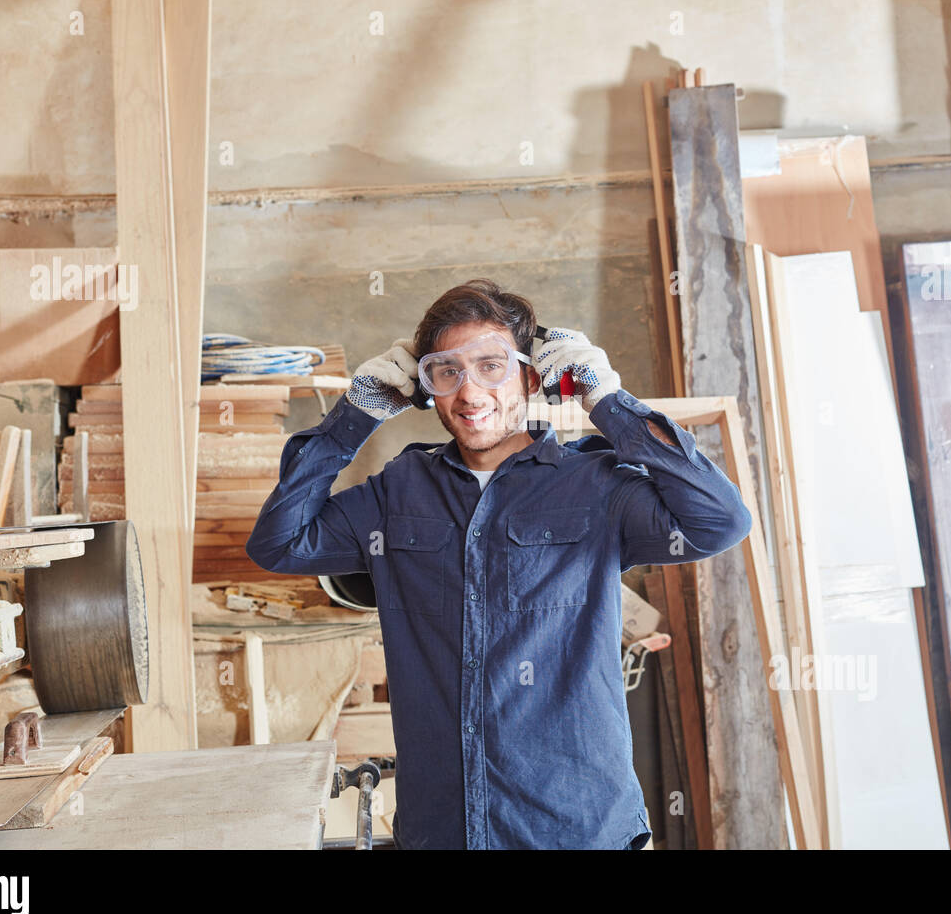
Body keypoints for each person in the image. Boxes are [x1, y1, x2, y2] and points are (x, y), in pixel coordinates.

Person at [246, 279, 752, 849]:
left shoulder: (596, 486)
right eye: (446, 372)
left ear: (531, 378)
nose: (469, 392)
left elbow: (719, 521)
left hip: (577, 830)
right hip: (444, 831)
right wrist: (353, 417)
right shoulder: (398, 492)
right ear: (425, 387)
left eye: (491, 366)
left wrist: (608, 402)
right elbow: (280, 543)